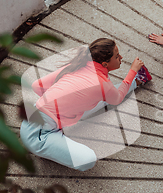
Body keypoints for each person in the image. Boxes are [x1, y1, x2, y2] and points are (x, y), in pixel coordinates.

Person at [20, 38, 152, 171]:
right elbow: (117, 98)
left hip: (33, 115)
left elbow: (37, 86)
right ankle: (49, 150)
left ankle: (138, 80)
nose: (121, 57)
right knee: (88, 160)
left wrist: (59, 99)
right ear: (105, 64)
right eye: (117, 56)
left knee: (101, 97)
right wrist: (132, 71)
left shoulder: (78, 65)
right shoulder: (102, 84)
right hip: (36, 137)